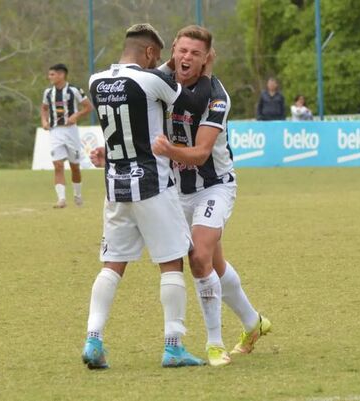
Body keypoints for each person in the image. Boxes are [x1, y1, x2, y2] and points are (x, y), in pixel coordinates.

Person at [82, 23, 214, 370]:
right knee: (171, 262)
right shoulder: (152, 81)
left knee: (113, 265)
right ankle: (173, 347)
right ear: (152, 53)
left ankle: (93, 339)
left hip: (116, 185)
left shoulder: (95, 81)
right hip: (153, 184)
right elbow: (183, 98)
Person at [154, 25, 271, 365]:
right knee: (214, 264)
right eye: (182, 50)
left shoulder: (216, 96)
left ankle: (214, 344)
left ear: (206, 60)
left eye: (195, 53)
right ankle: (253, 323)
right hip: (177, 191)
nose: (186, 57)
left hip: (214, 186)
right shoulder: (157, 82)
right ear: (173, 50)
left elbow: (201, 153)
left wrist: (165, 149)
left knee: (199, 258)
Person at [41, 64, 91, 208]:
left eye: (52, 74)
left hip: (71, 132)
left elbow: (88, 107)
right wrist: (44, 121)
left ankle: (77, 194)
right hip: (55, 131)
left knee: (74, 166)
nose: (49, 77)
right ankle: (61, 199)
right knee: (57, 164)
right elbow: (44, 108)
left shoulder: (74, 90)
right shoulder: (48, 93)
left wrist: (76, 115)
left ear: (61, 75)